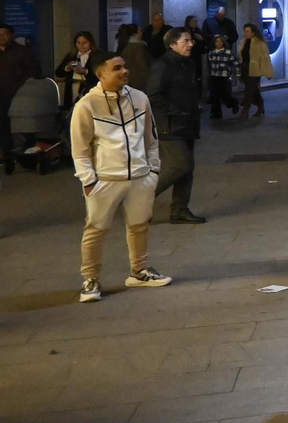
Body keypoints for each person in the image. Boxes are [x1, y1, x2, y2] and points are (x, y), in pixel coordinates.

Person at [70, 50, 170, 303]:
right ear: (100, 73)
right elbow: (80, 149)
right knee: (95, 229)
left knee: (139, 225)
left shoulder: (139, 98)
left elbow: (151, 138)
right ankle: (90, 279)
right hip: (104, 179)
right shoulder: (86, 105)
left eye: (124, 67)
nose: (124, 71)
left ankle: (139, 271)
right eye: (116, 68)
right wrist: (89, 180)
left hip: (140, 177)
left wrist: (153, 170)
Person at [146, 27, 205, 224]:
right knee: (181, 164)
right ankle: (139, 198)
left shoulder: (187, 63)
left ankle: (180, 209)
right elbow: (153, 94)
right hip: (169, 124)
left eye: (191, 41)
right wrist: (176, 110)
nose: (190, 44)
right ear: (172, 44)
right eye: (185, 41)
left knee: (188, 168)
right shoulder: (163, 65)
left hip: (187, 123)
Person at [0, 23, 41, 173]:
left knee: (26, 128)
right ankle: (8, 158)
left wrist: (21, 87)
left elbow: (33, 72)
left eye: (4, 33)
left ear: (11, 35)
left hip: (21, 96)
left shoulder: (22, 52)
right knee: (4, 129)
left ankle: (28, 159)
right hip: (1, 98)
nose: (1, 37)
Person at [237, 23, 273, 119]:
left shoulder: (260, 43)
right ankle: (260, 107)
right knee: (253, 89)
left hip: (255, 69)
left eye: (248, 32)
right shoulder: (243, 42)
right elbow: (241, 55)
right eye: (245, 31)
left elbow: (265, 58)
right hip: (245, 68)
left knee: (249, 90)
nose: (246, 34)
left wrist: (267, 71)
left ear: (253, 32)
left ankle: (245, 110)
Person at [55, 31, 95, 107]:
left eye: (85, 42)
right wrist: (68, 68)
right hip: (72, 90)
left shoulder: (96, 56)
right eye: (78, 43)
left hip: (89, 90)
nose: (81, 45)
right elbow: (58, 73)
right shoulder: (71, 56)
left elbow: (101, 75)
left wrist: (85, 71)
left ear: (91, 43)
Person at [205, 34, 241, 119]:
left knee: (225, 95)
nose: (219, 43)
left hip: (224, 77)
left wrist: (238, 73)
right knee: (214, 96)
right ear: (214, 43)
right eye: (217, 41)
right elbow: (210, 65)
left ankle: (233, 103)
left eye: (221, 41)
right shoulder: (211, 53)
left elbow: (235, 63)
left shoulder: (228, 52)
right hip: (214, 76)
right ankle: (216, 114)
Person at [119, 25, 152, 92]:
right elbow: (143, 65)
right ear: (135, 34)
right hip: (139, 81)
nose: (142, 32)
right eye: (140, 31)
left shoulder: (125, 45)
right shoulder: (139, 47)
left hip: (130, 80)